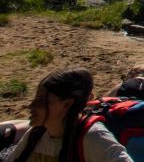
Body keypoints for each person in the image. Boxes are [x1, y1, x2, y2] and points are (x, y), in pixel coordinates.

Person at [0, 68, 133, 162]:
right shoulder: (36, 134)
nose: (31, 105)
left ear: (66, 104)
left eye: (41, 99)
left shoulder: (93, 137)